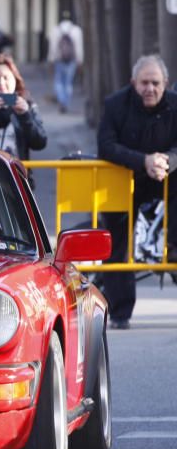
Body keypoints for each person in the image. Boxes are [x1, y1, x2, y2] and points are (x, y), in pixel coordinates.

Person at [97, 54, 177, 330]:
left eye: (155, 83)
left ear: (165, 83)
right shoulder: (115, 104)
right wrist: (143, 161)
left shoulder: (175, 104)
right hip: (124, 179)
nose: (150, 89)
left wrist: (166, 160)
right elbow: (106, 145)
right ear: (133, 83)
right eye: (144, 83)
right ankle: (119, 313)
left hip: (168, 181)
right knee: (116, 244)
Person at [48, 11, 83, 114]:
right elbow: (79, 47)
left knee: (58, 82)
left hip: (59, 59)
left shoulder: (55, 30)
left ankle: (62, 101)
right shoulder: (76, 30)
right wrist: (80, 60)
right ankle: (66, 102)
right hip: (71, 60)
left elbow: (52, 47)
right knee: (68, 83)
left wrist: (51, 59)